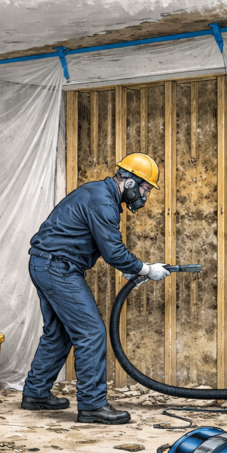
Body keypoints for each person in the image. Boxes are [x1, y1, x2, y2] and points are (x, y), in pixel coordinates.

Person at [21, 153, 170, 426]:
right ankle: (92, 405)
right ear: (131, 182)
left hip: (46, 264)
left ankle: (36, 393)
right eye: (146, 188)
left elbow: (97, 242)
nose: (146, 195)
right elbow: (113, 252)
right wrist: (145, 269)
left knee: (59, 332)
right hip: (57, 268)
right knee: (90, 332)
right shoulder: (103, 202)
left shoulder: (100, 194)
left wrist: (130, 267)